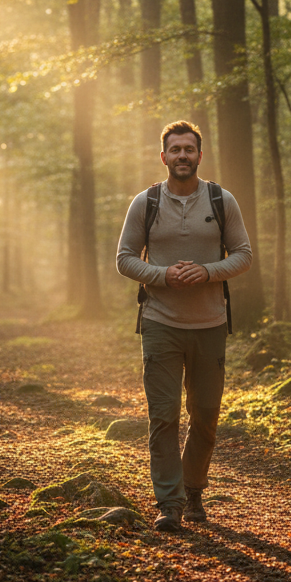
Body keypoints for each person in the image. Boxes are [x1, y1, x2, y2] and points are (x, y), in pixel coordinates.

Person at [116, 120, 252, 531]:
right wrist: (162, 275)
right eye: (174, 150)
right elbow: (124, 258)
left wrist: (208, 271)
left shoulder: (220, 199)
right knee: (164, 416)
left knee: (206, 415)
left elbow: (243, 254)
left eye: (188, 149)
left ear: (199, 155)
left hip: (211, 323)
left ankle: (194, 492)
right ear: (163, 157)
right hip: (160, 323)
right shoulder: (146, 202)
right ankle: (169, 504)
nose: (182, 156)